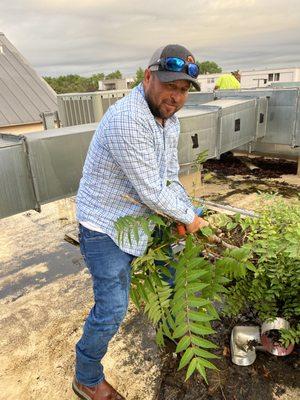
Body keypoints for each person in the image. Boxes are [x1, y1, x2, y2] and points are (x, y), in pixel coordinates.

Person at [73, 44, 208, 400]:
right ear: (148, 77)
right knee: (112, 308)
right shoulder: (128, 119)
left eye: (183, 90)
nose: (176, 96)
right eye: (169, 86)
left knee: (168, 272)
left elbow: (168, 177)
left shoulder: (169, 121)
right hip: (104, 227)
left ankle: (172, 328)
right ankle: (86, 377)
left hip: (141, 219)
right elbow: (151, 190)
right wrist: (188, 218)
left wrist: (184, 210)